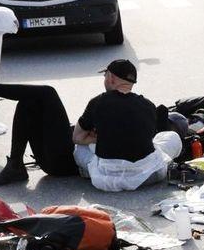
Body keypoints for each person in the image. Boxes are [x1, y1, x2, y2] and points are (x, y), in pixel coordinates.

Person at [69, 58, 181, 191]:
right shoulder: (148, 105)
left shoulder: (97, 102)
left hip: (106, 179)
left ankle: (88, 172)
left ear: (111, 78)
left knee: (79, 149)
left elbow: (77, 138)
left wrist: (102, 137)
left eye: (105, 76)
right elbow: (146, 139)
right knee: (172, 137)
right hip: (150, 176)